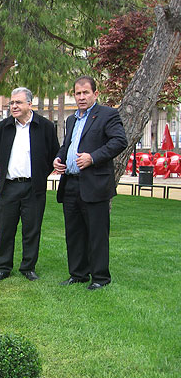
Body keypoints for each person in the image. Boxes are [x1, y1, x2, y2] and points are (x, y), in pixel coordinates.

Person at [53, 76, 127, 290]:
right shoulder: (71, 120)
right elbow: (66, 146)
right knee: (74, 233)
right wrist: (59, 159)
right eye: (78, 93)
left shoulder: (107, 115)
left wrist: (92, 157)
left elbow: (119, 141)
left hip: (95, 184)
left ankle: (100, 278)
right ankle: (78, 274)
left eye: (86, 92)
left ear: (96, 94)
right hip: (71, 184)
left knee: (97, 233)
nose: (82, 97)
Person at [0, 87, 59, 282]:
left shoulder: (45, 126)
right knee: (5, 229)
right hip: (8, 187)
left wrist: (38, 175)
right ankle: (3, 267)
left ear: (30, 104)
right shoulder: (3, 127)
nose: (14, 106)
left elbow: (53, 153)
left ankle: (28, 267)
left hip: (33, 187)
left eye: (18, 102)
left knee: (32, 229)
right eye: (12, 103)